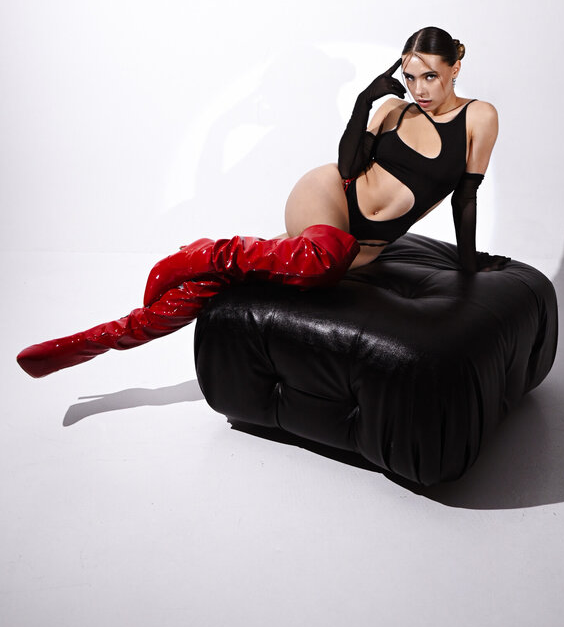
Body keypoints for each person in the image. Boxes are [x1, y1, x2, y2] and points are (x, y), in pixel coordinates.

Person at [17, 26, 503, 379]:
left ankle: (95, 340)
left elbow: (466, 195)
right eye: (411, 77)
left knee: (229, 283)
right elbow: (348, 166)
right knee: (325, 257)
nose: (419, 89)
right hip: (329, 197)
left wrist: (469, 266)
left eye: (430, 77)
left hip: (358, 246)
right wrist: (364, 101)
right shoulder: (393, 109)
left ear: (455, 68)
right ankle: (205, 253)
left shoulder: (479, 117)